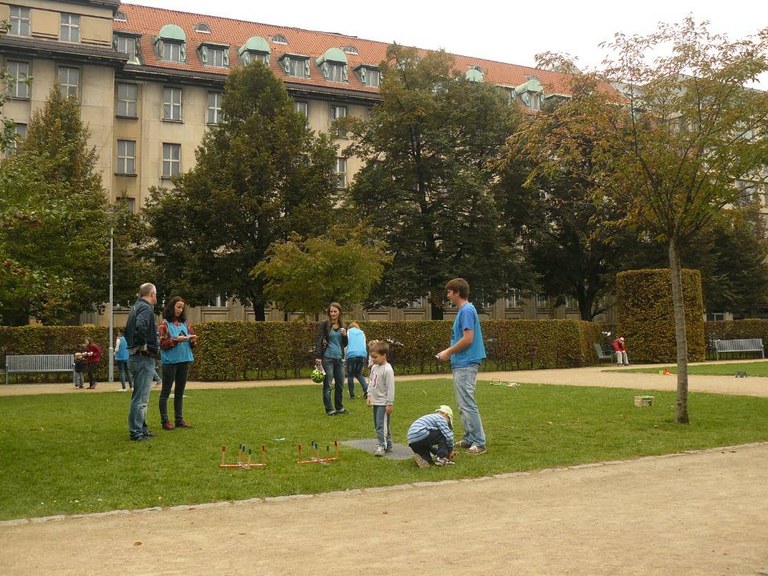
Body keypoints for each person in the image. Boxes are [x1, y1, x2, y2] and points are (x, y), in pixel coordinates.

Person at [436, 277, 487, 455]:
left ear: (457, 292)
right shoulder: (465, 311)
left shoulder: (466, 311)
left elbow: (468, 338)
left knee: (467, 403)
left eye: (449, 292)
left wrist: (448, 352)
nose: (448, 295)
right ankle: (469, 438)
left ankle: (479, 442)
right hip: (461, 363)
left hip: (466, 362)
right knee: (462, 403)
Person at [124, 282, 159, 442]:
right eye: (156, 294)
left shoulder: (135, 307)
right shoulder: (146, 308)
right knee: (141, 398)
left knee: (140, 396)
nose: (156, 297)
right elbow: (141, 326)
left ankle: (142, 428)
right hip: (142, 357)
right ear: (151, 294)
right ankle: (136, 431)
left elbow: (128, 330)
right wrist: (144, 346)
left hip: (134, 356)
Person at [158, 296, 197, 430]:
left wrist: (192, 341)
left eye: (182, 307)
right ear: (171, 307)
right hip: (170, 362)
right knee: (165, 392)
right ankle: (165, 421)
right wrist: (175, 340)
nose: (180, 310)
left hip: (184, 360)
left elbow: (193, 344)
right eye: (178, 307)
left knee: (179, 392)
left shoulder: (187, 325)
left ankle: (179, 419)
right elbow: (162, 344)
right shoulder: (164, 325)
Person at [315, 302, 348, 416]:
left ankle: (339, 408)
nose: (333, 313)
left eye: (335, 311)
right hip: (327, 358)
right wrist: (318, 356)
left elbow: (345, 344)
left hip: (339, 359)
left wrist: (345, 335)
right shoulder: (325, 324)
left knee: (340, 385)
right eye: (331, 311)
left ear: (339, 312)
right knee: (328, 385)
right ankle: (329, 409)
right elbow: (319, 340)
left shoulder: (343, 325)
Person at [366, 340, 395, 456]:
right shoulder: (374, 368)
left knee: (380, 425)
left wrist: (389, 403)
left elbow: (391, 388)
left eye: (375, 357)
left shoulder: (388, 370)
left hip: (383, 402)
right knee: (380, 424)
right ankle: (388, 443)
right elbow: (371, 382)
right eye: (371, 357)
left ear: (384, 356)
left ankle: (381, 446)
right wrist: (368, 395)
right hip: (375, 401)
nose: (373, 359)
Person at [345, 321, 368, 399]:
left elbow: (346, 345)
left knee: (350, 375)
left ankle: (352, 395)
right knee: (359, 374)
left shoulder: (348, 332)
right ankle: (366, 390)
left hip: (351, 355)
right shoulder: (362, 333)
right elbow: (364, 344)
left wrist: (345, 356)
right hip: (362, 355)